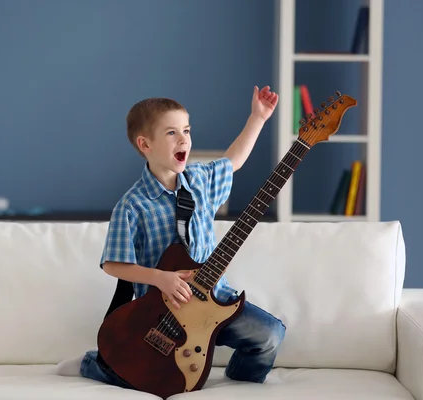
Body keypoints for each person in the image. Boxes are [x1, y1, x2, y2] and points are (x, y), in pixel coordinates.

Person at [79, 85, 286, 389]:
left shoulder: (199, 180)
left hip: (217, 301)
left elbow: (233, 161)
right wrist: (162, 278)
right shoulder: (132, 205)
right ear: (145, 144)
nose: (184, 139)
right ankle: (93, 364)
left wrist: (258, 117)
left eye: (187, 130)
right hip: (165, 310)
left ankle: (238, 385)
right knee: (150, 375)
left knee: (271, 334)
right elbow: (113, 264)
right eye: (172, 133)